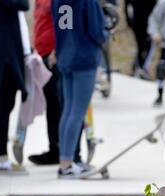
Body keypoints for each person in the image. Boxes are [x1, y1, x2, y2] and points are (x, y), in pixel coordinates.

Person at [52, 0, 108, 178]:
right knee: (77, 112)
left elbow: (60, 29)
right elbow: (97, 32)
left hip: (65, 57)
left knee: (68, 110)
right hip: (84, 59)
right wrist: (108, 33)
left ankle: (65, 161)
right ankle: (67, 165)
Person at [28, 0, 81, 166]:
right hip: (42, 55)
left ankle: (66, 151)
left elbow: (67, 25)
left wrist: (59, 49)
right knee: (52, 104)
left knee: (61, 104)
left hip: (55, 56)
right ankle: (55, 147)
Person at [0, 0, 29, 174]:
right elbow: (24, 4)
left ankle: (0, 154)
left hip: (6, 54)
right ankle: (1, 155)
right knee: (3, 106)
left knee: (1, 105)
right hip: (6, 57)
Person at [124, 0, 157, 80]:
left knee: (145, 46)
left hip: (147, 24)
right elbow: (127, 5)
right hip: (139, 22)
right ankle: (141, 68)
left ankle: (140, 68)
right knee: (142, 46)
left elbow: (156, 9)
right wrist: (128, 20)